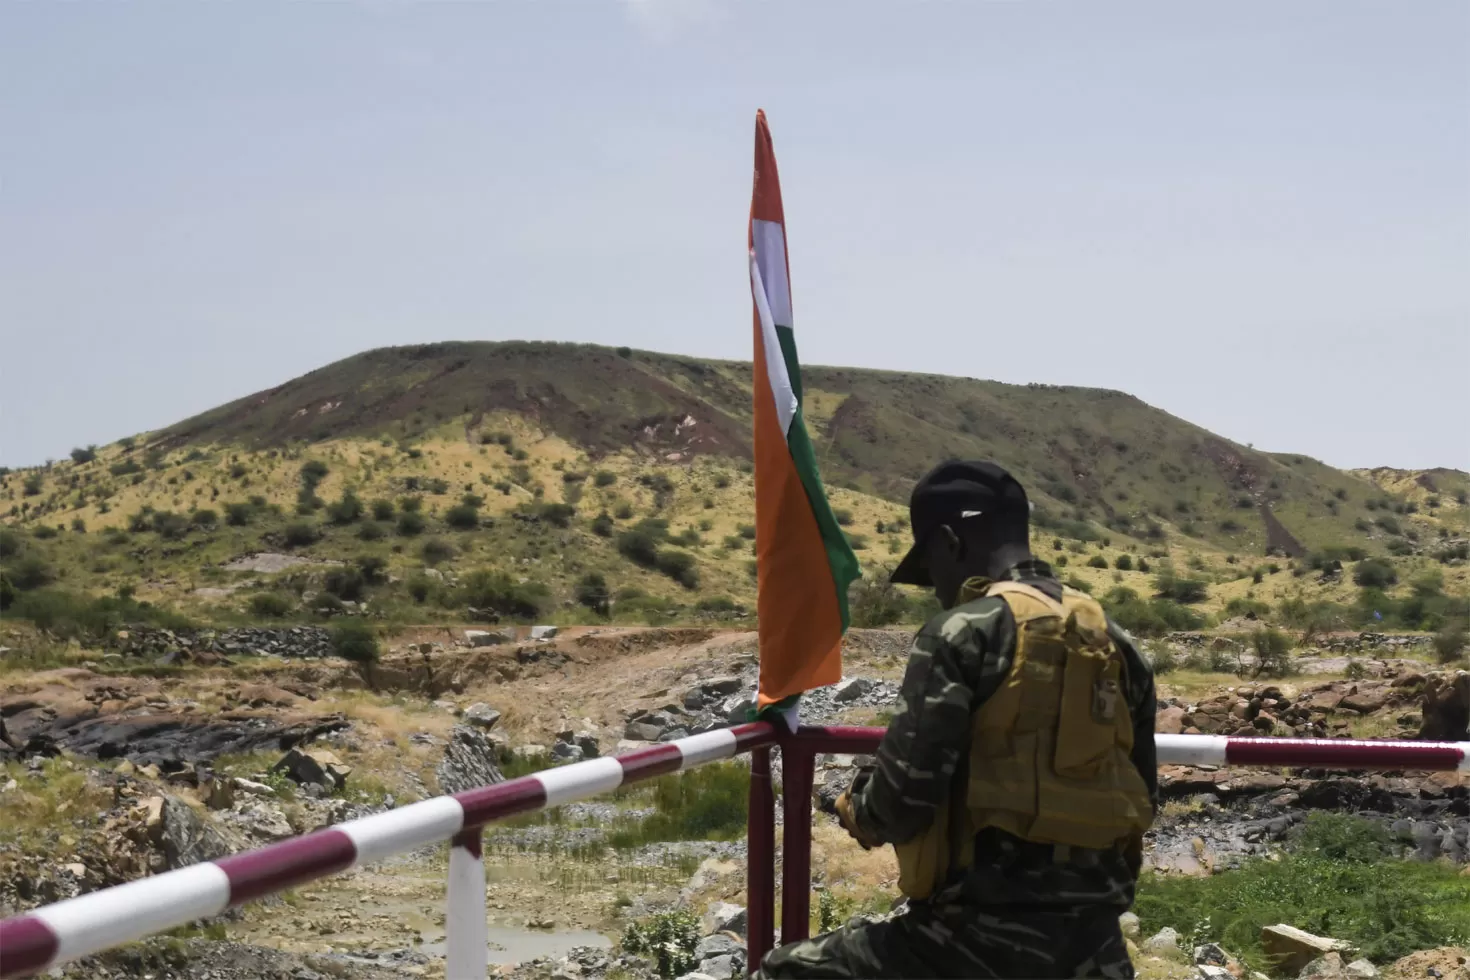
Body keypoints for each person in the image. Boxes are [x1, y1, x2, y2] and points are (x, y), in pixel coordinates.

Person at [755, 460, 1158, 980]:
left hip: (972, 940)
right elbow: (1142, 793)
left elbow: (902, 801)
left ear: (948, 541)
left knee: (782, 970)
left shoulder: (962, 631)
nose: (938, 590)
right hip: (1097, 945)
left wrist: (856, 807)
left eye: (929, 569)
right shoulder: (1118, 643)